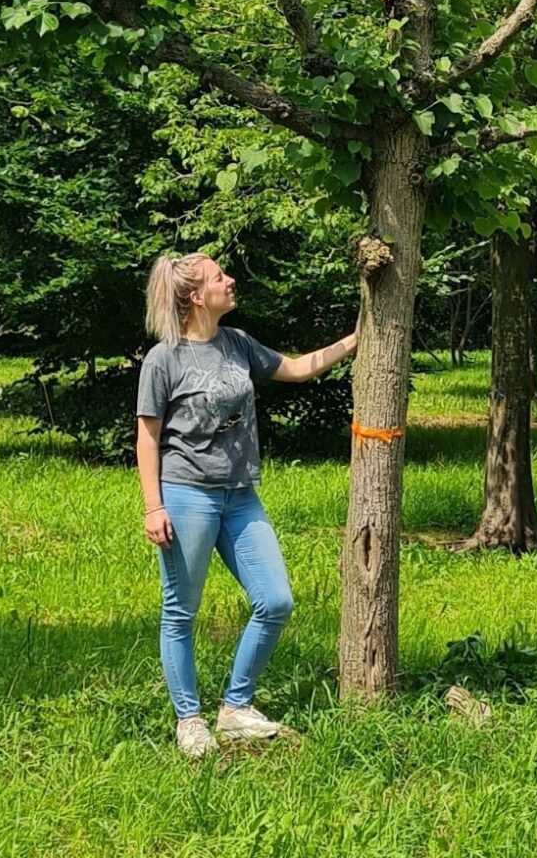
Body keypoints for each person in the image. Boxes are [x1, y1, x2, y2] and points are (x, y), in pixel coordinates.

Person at [137, 251, 358, 758]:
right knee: (181, 611)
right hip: (186, 494)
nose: (230, 280)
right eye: (220, 277)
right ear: (196, 296)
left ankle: (235, 708)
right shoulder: (163, 359)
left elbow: (299, 369)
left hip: (240, 497)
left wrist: (356, 337)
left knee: (276, 600)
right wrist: (154, 506)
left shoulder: (237, 344)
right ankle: (189, 719)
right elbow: (147, 438)